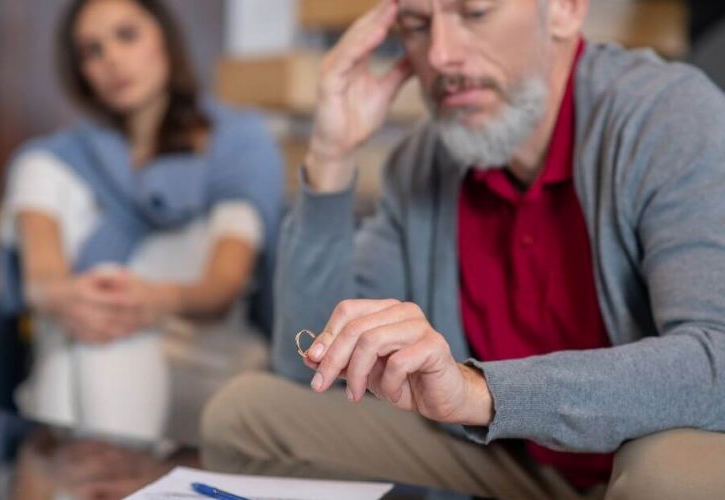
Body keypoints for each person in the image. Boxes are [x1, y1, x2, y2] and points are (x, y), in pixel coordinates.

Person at [200, 0, 725, 498]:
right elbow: (311, 370)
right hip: (508, 462)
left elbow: (716, 358)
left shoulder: (669, 116)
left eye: (475, 11)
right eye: (416, 23)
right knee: (245, 415)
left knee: (671, 479)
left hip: (628, 463)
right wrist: (331, 154)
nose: (440, 55)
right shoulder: (425, 162)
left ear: (564, 8)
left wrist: (480, 391)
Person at [0, 0, 282, 446]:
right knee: (101, 342)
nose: (112, 59)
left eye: (126, 35)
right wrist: (75, 298)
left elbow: (224, 287)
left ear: (164, 38)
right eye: (92, 50)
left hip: (202, 360)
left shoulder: (236, 148)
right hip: (81, 343)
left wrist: (147, 299)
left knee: (90, 356)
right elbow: (41, 282)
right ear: (81, 72)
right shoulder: (48, 163)